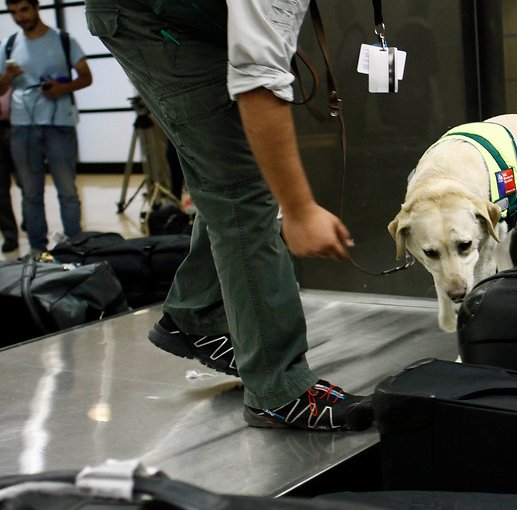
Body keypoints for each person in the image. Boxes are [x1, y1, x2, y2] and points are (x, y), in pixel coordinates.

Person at [84, 0, 372, 431]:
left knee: (230, 176)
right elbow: (258, 83)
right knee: (241, 189)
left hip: (186, 13)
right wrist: (298, 210)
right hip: (147, 14)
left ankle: (196, 312)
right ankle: (280, 391)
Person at [0, 0, 92, 253]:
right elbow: (0, 89)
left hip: (59, 124)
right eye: (13, 12)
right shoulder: (8, 45)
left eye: (24, 10)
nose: (19, 17)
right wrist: (8, 76)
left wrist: (63, 88)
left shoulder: (63, 40)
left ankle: (76, 246)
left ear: (36, 7)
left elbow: (86, 76)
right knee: (31, 194)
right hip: (22, 127)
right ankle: (37, 253)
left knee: (67, 191)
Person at [0, 88, 19, 253]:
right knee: (1, 189)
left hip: (18, 124)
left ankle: (30, 220)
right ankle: (10, 236)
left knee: (26, 182)